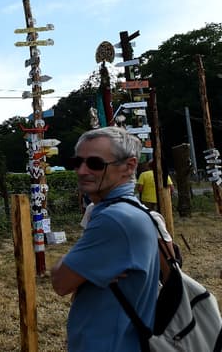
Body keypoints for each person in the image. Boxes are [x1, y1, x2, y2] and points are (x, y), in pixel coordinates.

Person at [51, 127, 160, 351]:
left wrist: (70, 262)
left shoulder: (115, 220)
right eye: (77, 162)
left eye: (95, 164)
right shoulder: (132, 210)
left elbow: (60, 282)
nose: (82, 171)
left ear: (129, 166)